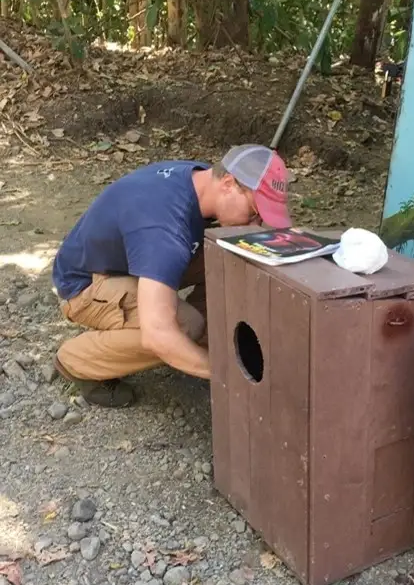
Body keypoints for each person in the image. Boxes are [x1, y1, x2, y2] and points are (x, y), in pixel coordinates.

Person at [50, 145, 292, 408]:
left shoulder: (200, 179)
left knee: (229, 254)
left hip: (131, 261)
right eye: (255, 213)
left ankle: (199, 341)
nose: (256, 224)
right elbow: (158, 333)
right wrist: (228, 376)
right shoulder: (165, 229)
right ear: (228, 183)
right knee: (183, 326)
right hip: (87, 285)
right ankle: (75, 360)